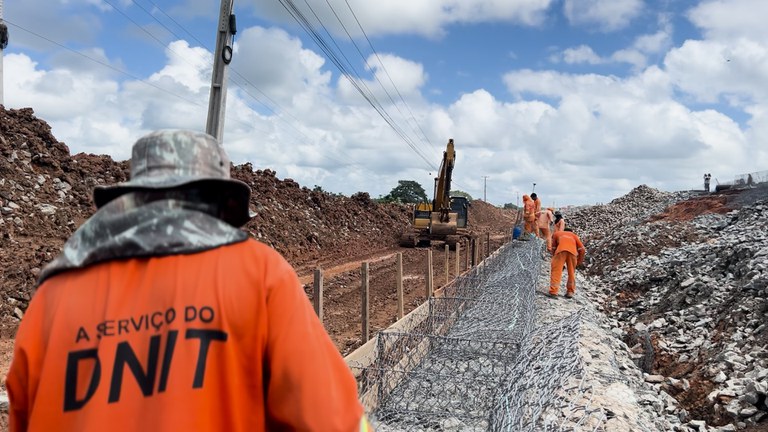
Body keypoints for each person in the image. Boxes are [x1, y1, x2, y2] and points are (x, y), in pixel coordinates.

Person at [6, 130, 370, 431]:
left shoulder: (53, 294)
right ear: (220, 203)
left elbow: (23, 415)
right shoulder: (258, 272)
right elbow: (331, 419)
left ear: (132, 200)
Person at [548, 227, 586, 299]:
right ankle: (570, 292)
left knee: (556, 271)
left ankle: (553, 292)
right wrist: (579, 262)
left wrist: (555, 258)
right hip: (573, 254)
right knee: (571, 273)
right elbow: (582, 249)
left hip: (560, 251)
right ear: (571, 231)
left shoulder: (557, 234)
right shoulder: (574, 236)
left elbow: (553, 247)